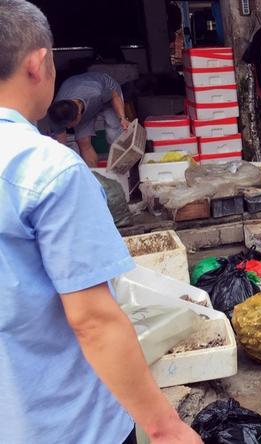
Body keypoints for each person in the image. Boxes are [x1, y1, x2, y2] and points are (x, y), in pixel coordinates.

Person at [0, 2, 201, 443]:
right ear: (40, 64)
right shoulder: (45, 168)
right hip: (62, 423)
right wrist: (166, 428)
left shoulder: (73, 121)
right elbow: (92, 319)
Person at [47, 72, 129, 168]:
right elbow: (62, 146)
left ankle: (116, 173)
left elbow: (114, 95)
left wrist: (122, 118)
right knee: (83, 142)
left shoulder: (95, 94)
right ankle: (95, 176)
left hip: (108, 95)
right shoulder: (56, 114)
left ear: (78, 115)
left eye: (70, 124)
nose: (68, 127)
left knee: (114, 135)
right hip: (83, 101)